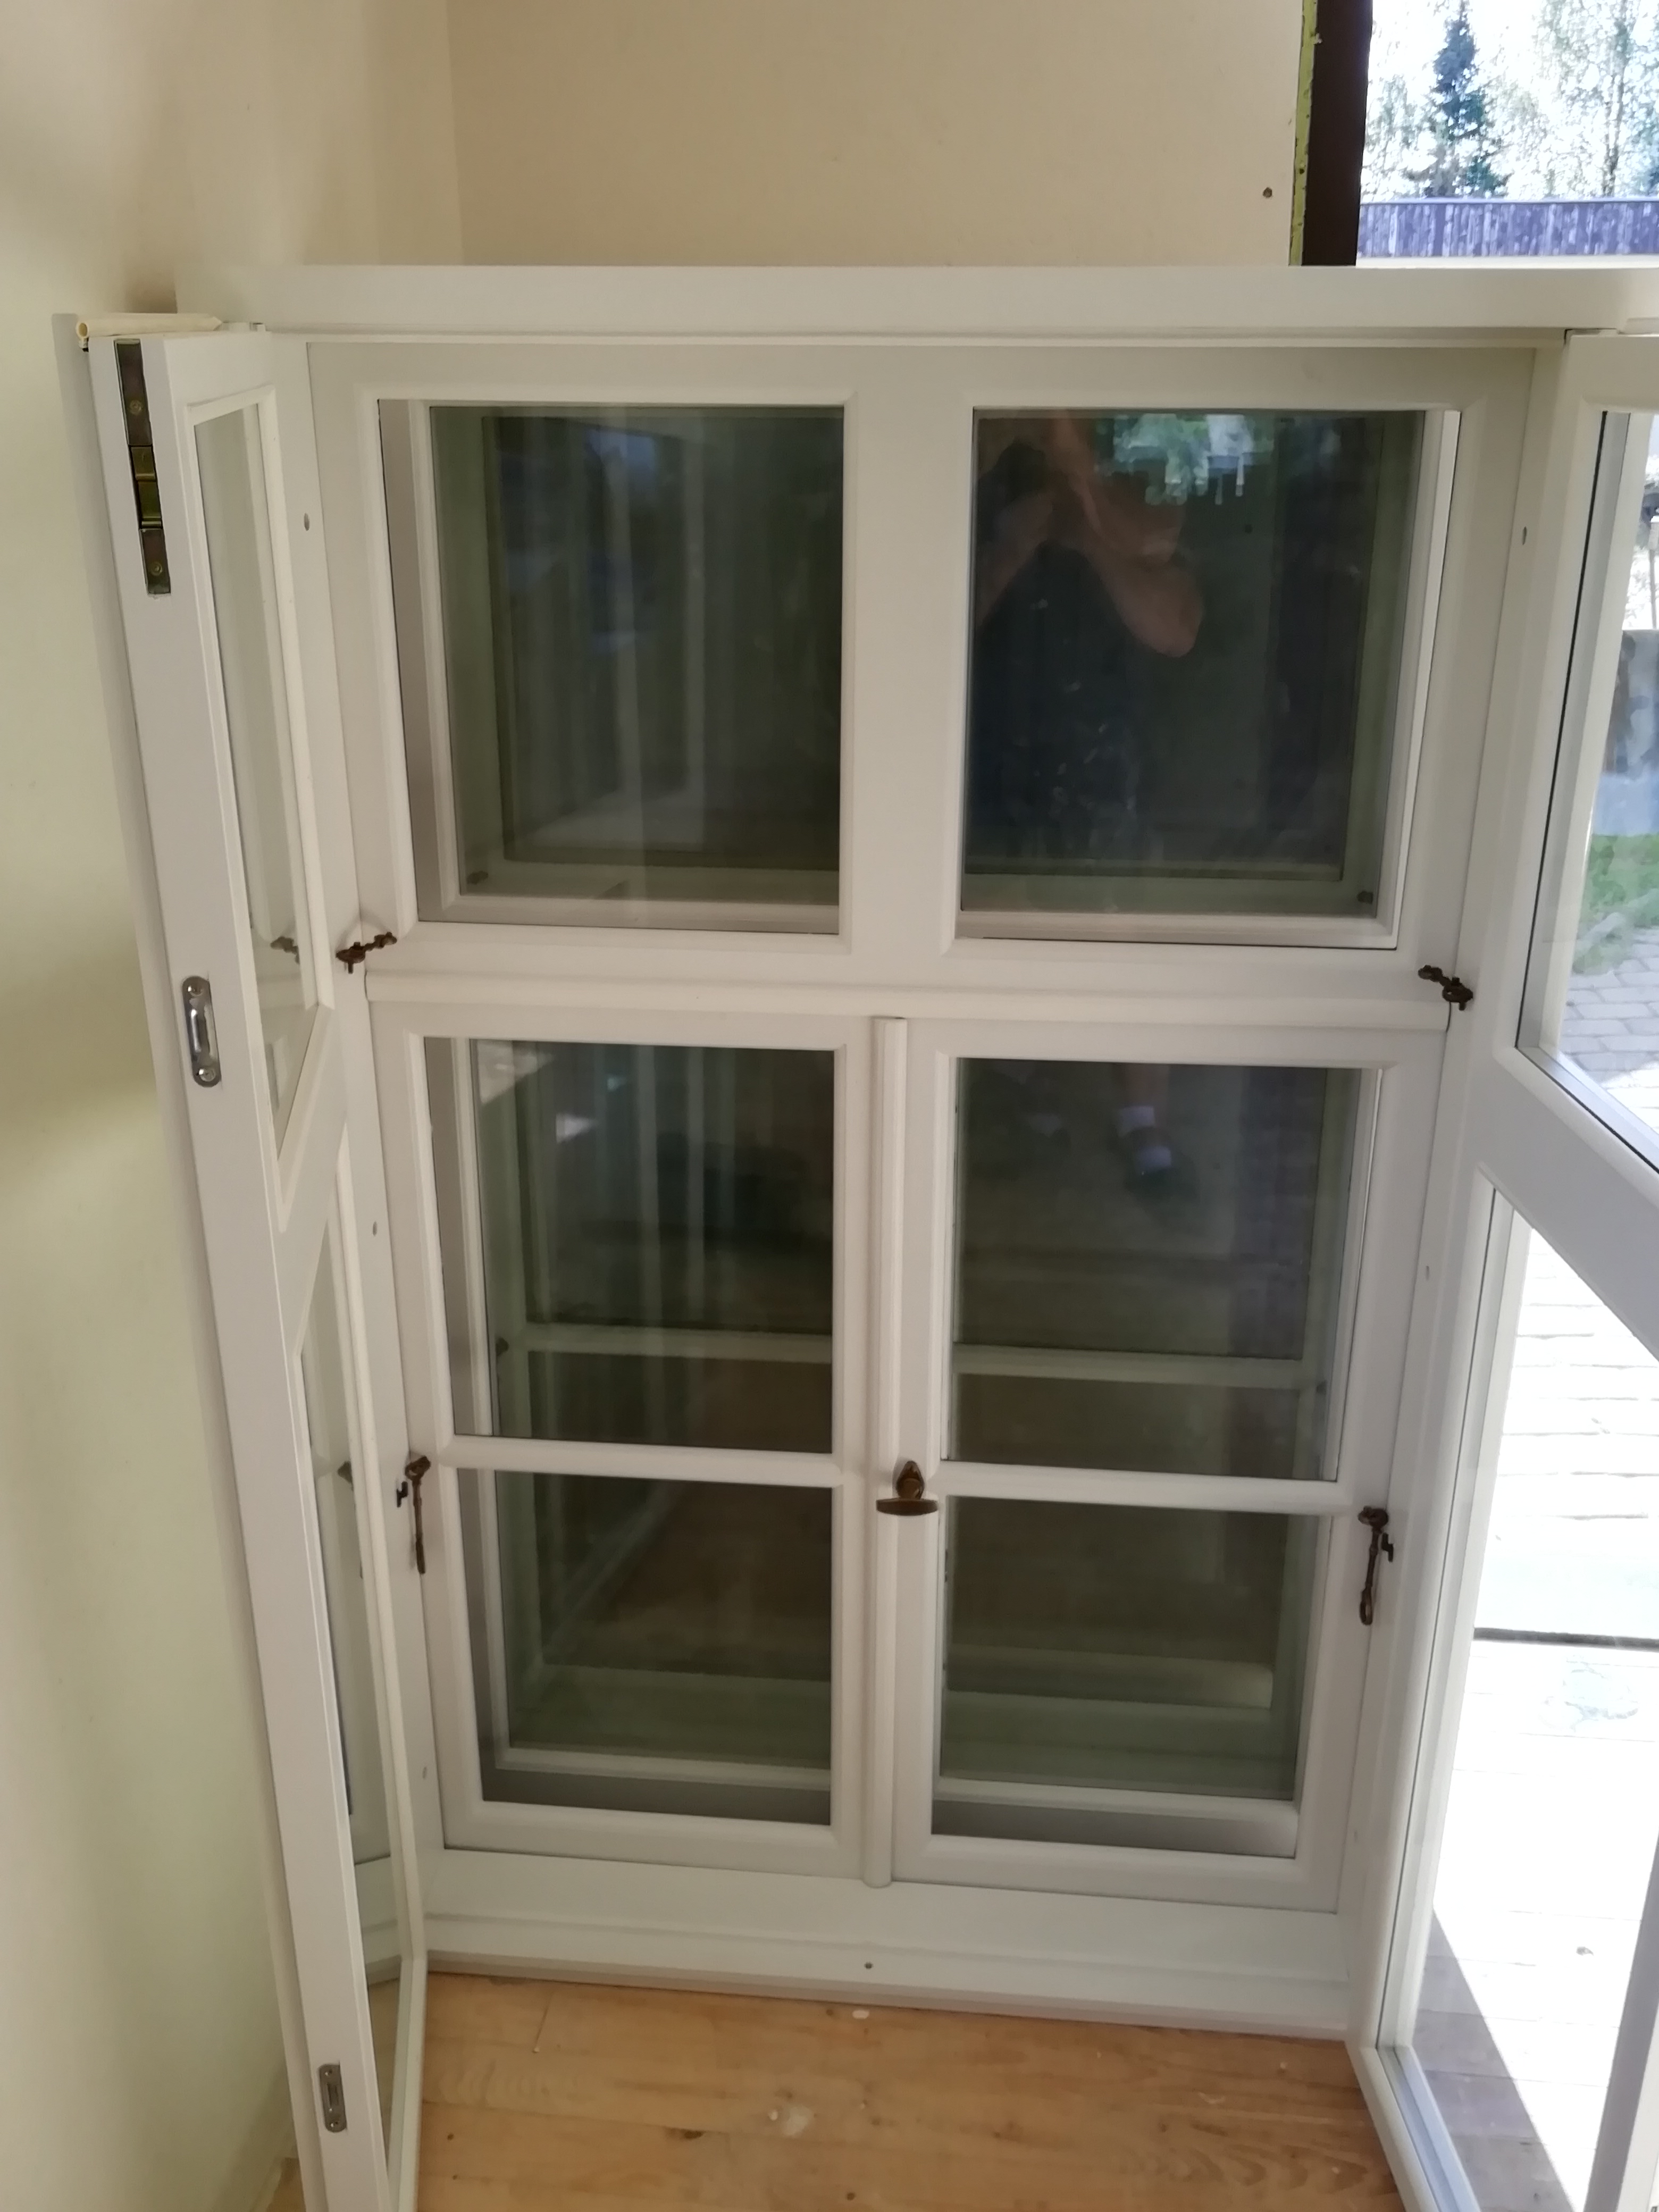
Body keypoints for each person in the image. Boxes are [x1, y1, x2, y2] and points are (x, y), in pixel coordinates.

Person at [969, 415, 1202, 1188]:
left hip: (1107, 764)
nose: (1051, 429)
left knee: (1124, 938)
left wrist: (1089, 518)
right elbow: (921, 633)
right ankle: (1024, 1091)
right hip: (992, 756)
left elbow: (1175, 628)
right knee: (1001, 933)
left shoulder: (1141, 479)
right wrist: (1015, 547)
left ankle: (1141, 1121)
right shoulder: (982, 478)